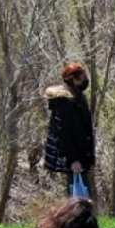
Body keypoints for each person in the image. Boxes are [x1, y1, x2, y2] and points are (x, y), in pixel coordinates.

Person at [43, 62, 96, 196]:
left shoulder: (79, 97)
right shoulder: (64, 102)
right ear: (72, 79)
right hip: (75, 158)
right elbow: (64, 134)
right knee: (78, 197)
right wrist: (73, 160)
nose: (85, 81)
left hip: (82, 154)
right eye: (82, 78)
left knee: (82, 194)